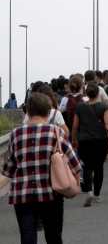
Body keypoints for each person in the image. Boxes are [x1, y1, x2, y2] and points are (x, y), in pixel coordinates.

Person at [2, 93, 81, 244]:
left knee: (27, 238)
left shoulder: (15, 134)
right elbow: (75, 163)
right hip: (51, 195)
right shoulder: (56, 132)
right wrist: (75, 186)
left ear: (27, 111)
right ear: (48, 111)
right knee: (53, 237)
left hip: (22, 196)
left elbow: (9, 170)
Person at [72, 82, 108, 207]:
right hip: (100, 140)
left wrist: (74, 139)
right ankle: (97, 194)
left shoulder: (80, 107)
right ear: (98, 93)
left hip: (84, 140)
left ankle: (89, 192)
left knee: (86, 166)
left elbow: (75, 126)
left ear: (86, 93)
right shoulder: (103, 106)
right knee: (98, 167)